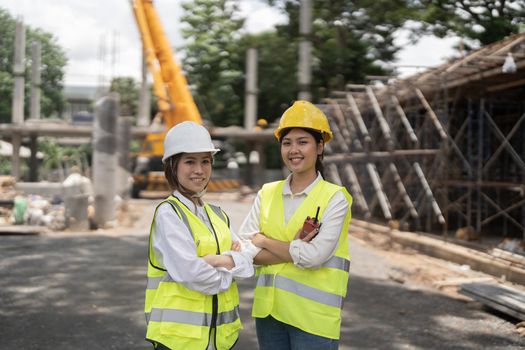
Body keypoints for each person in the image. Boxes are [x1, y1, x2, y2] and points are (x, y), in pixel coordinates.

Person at [239, 100, 353, 350]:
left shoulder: (335, 198)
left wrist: (264, 241)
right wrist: (293, 250)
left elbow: (314, 257)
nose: (294, 150)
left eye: (303, 142)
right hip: (269, 314)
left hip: (313, 318)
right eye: (287, 143)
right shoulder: (267, 192)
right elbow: (243, 247)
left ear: (320, 146)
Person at [145, 121, 253, 350]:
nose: (199, 170)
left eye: (205, 161)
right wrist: (229, 267)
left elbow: (248, 260)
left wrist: (216, 261)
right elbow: (192, 273)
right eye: (190, 161)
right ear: (173, 166)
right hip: (180, 340)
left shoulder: (217, 215)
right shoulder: (169, 213)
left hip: (218, 339)